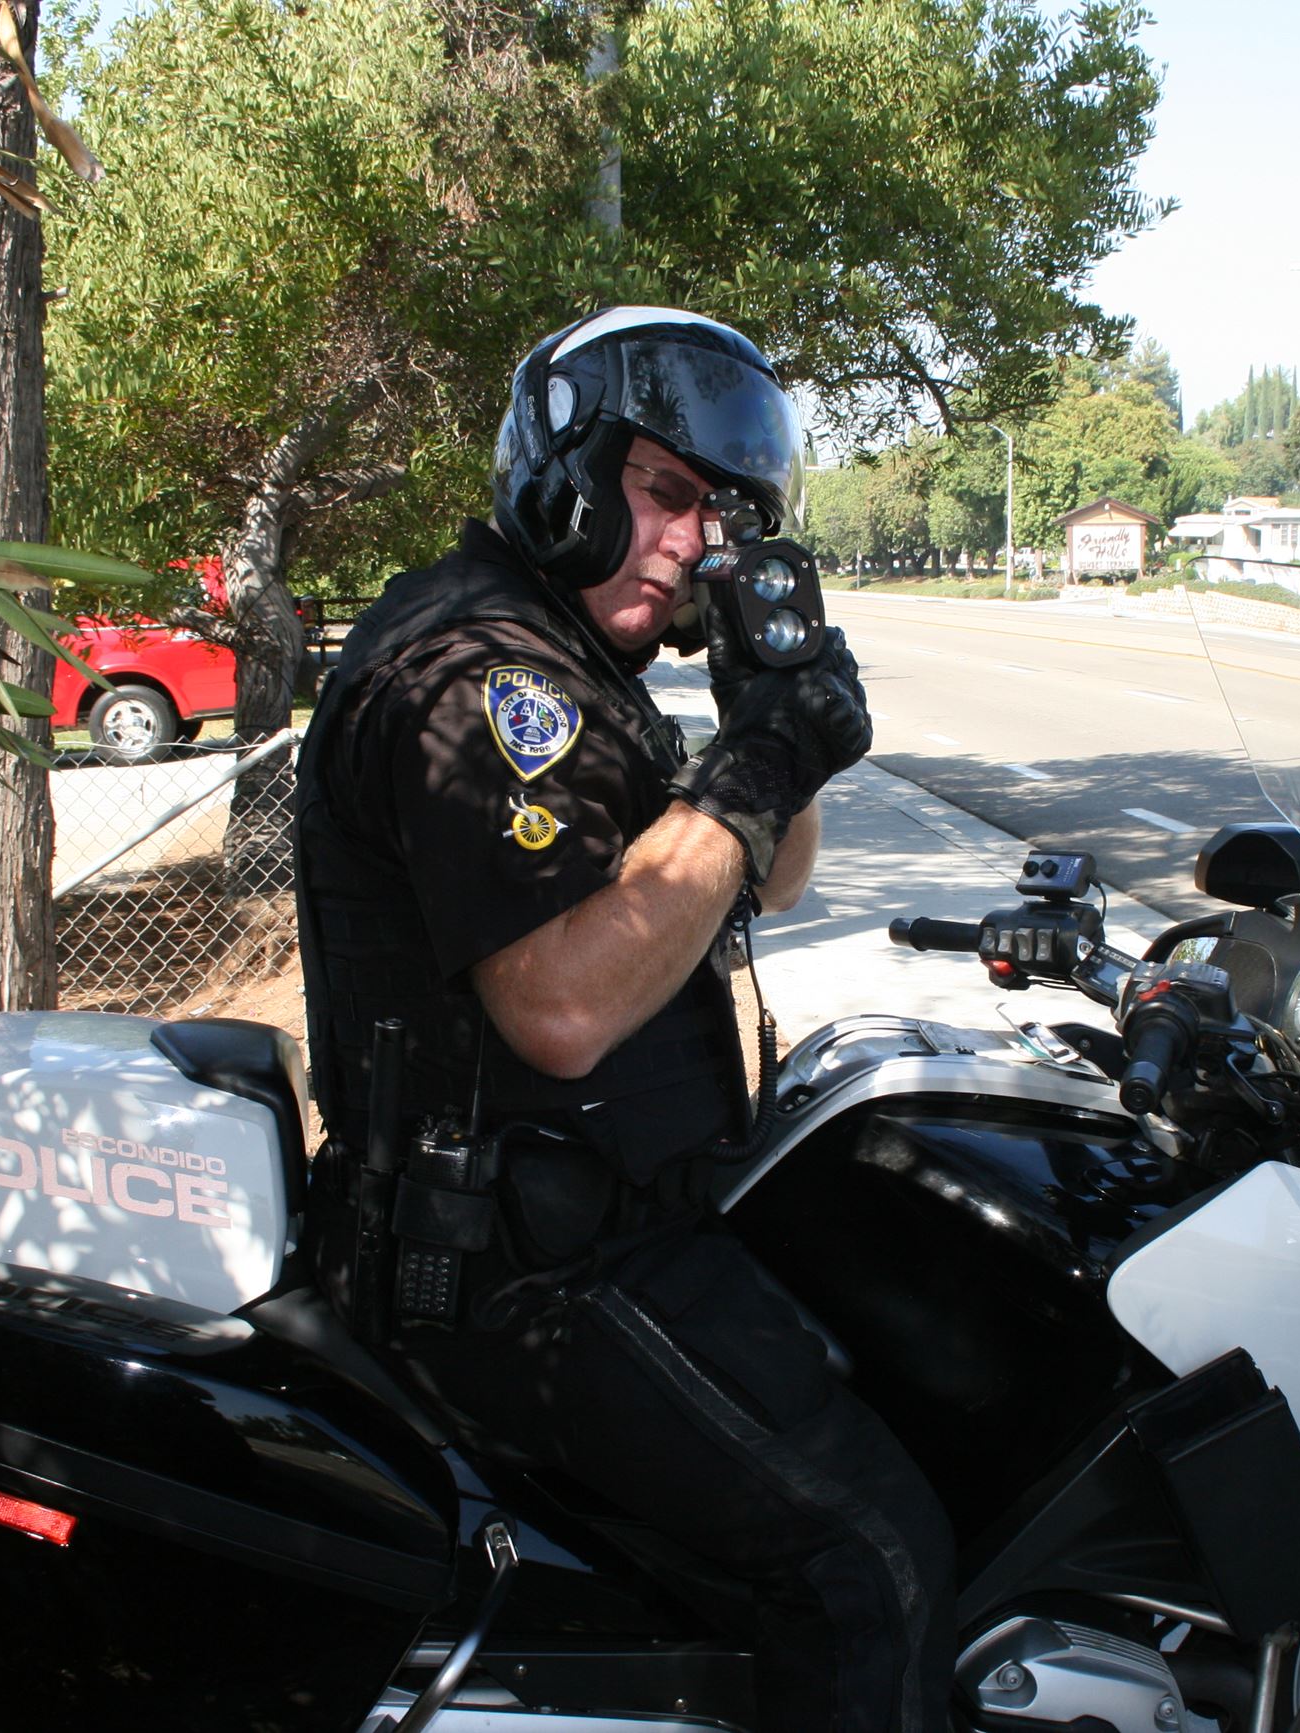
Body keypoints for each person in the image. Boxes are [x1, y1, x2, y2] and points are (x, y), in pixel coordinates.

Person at [293, 307, 956, 1730]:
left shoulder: (570, 665)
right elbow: (566, 1003)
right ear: (562, 473)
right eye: (665, 493)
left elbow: (760, 879)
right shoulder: (484, 679)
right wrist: (760, 761)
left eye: (718, 516)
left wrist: (763, 722)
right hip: (523, 1276)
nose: (691, 542)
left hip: (605, 1221)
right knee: (872, 1556)